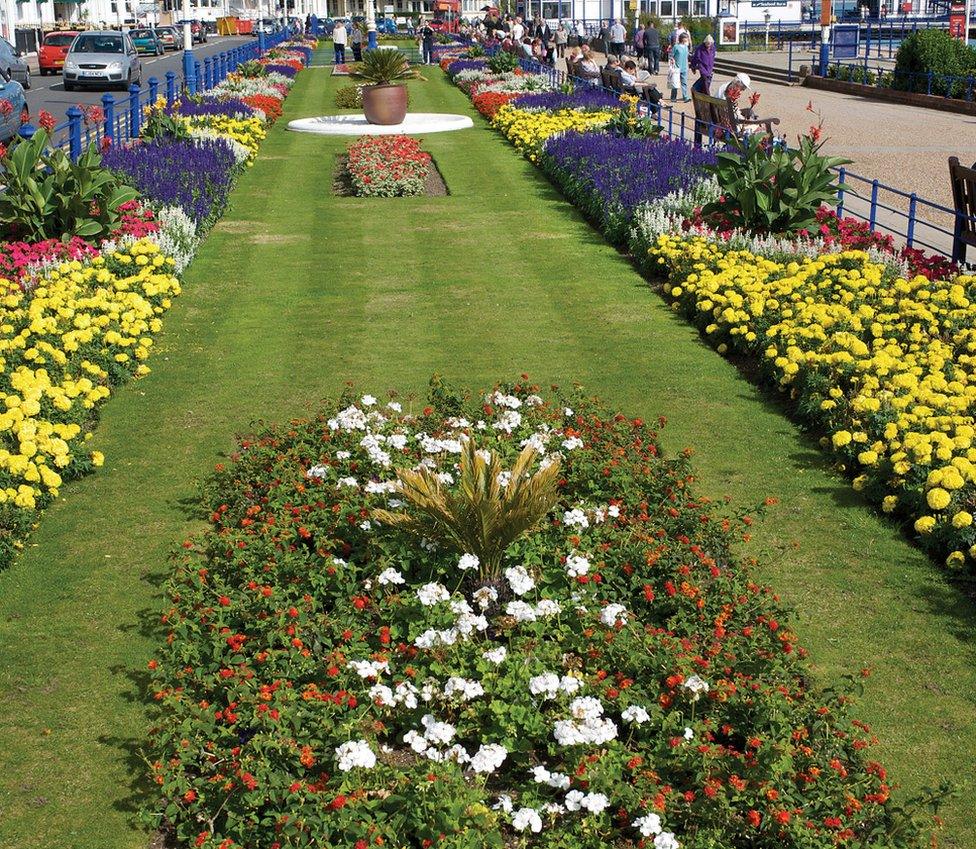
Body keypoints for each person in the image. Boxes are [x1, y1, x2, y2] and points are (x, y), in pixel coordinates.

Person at [669, 32, 689, 101]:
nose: (687, 39)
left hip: (684, 68)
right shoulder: (676, 47)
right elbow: (671, 55)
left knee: (684, 83)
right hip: (677, 67)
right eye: (686, 38)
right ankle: (673, 97)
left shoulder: (686, 47)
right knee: (675, 83)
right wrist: (672, 60)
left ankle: (685, 96)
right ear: (682, 39)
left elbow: (686, 57)